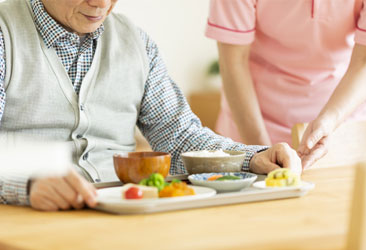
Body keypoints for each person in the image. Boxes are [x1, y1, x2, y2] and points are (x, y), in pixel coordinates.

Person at [0, 0, 301, 211]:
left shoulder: (137, 44)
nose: (101, 3)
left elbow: (181, 138)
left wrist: (253, 158)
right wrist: (27, 183)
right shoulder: (4, 33)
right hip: (23, 220)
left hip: (122, 217)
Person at [205, 0, 366, 168]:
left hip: (345, 125)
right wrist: (260, 151)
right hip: (252, 126)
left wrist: (330, 121)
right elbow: (234, 64)